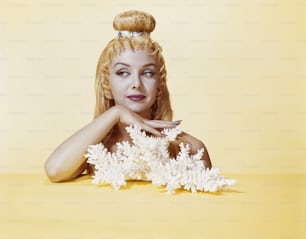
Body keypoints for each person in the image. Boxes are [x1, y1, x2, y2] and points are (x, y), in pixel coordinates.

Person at [45, 10, 212, 183]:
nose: (136, 84)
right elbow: (54, 170)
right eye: (123, 72)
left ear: (159, 86)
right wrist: (116, 113)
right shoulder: (93, 149)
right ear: (106, 85)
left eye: (147, 73)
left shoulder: (190, 148)